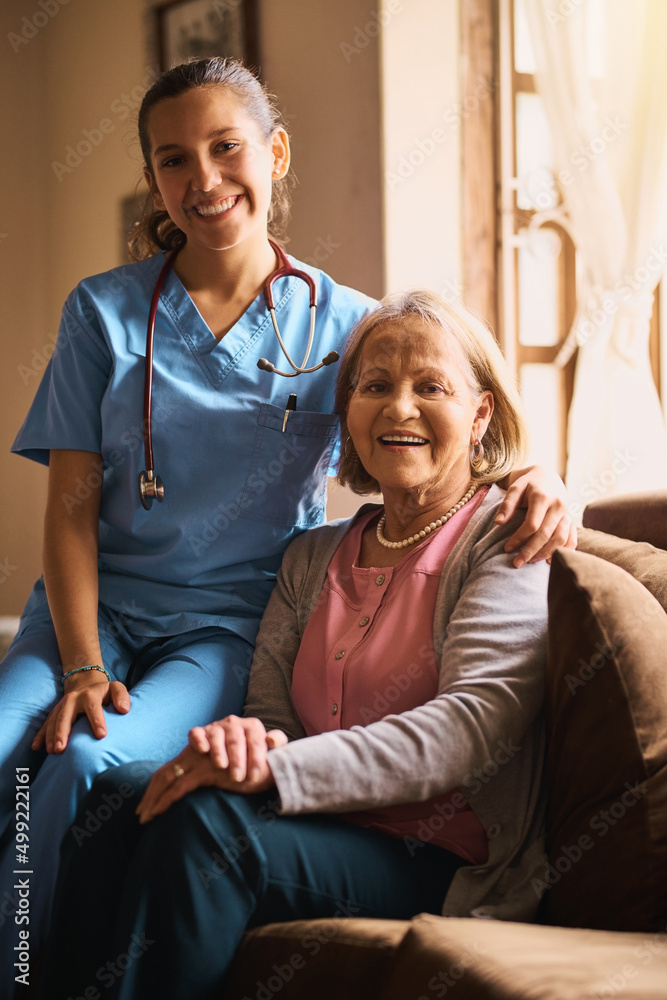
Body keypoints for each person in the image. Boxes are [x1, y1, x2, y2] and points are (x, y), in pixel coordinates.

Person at [0, 57, 568, 974]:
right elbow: (68, 510)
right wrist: (80, 661)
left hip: (227, 624)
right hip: (91, 611)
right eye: (174, 160)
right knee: (10, 754)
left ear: (277, 152)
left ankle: (21, 974)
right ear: (153, 179)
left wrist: (541, 476)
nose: (205, 179)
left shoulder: (345, 326)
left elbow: (440, 403)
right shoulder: (102, 313)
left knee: (86, 767)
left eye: (227, 148)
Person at [41, 290, 552, 1000]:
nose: (398, 408)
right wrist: (248, 747)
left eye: (429, 387)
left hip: (438, 857)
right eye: (374, 386)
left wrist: (279, 774)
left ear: (480, 414)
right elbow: (272, 717)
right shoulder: (312, 558)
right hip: (316, 823)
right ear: (347, 413)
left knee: (209, 830)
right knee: (131, 790)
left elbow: (468, 731)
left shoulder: (505, 540)